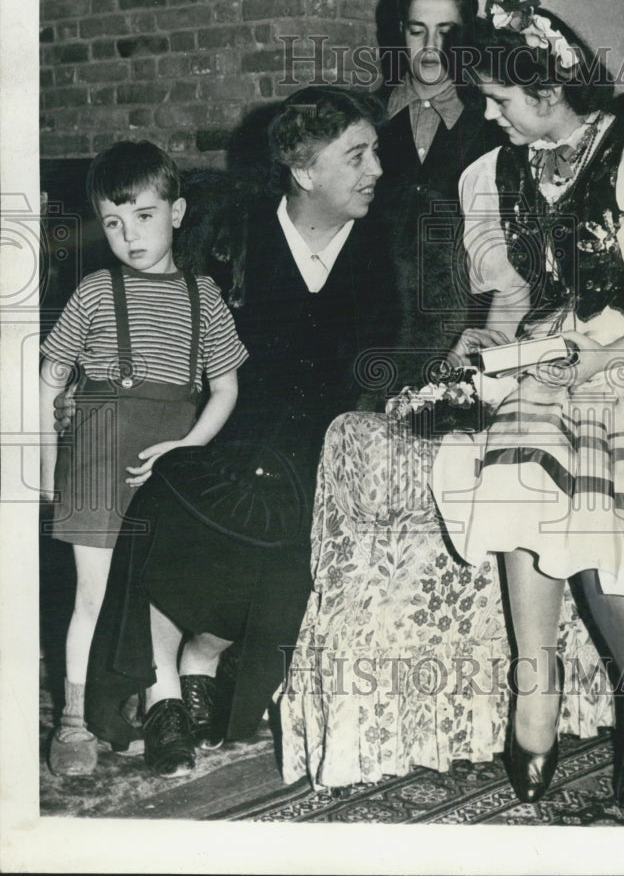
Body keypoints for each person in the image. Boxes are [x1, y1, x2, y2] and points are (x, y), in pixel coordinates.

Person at [431, 0, 624, 806]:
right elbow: (506, 305)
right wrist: (484, 343)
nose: (490, 116)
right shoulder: (491, 174)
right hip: (550, 351)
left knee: (589, 459)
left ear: (548, 90)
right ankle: (536, 690)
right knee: (525, 444)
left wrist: (604, 361)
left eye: (499, 100)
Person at [79, 86, 399, 775]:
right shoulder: (231, 231)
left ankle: (203, 658)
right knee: (157, 506)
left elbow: (382, 375)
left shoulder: (383, 250)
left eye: (373, 152)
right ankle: (165, 699)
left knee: (277, 561)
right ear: (306, 172)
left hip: (313, 460)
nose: (376, 168)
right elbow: (166, 318)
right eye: (358, 155)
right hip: (216, 435)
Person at [39, 140, 248, 776]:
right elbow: (49, 380)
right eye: (112, 221)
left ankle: (146, 703)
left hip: (172, 458)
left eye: (145, 216)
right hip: (101, 450)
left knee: (161, 591)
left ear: (178, 213)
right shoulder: (97, 291)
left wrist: (188, 449)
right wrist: (49, 469)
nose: (129, 235)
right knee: (93, 596)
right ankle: (72, 722)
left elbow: (226, 386)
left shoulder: (203, 295)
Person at [372, 0, 504, 389]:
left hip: (465, 334)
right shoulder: (363, 119)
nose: (430, 49)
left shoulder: (498, 122)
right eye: (417, 32)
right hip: (373, 335)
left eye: (446, 34)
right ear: (399, 33)